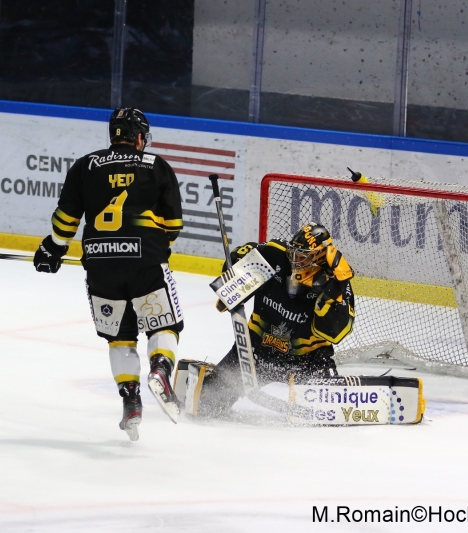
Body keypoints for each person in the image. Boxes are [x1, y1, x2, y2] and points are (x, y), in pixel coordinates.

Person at [33, 107, 185, 441]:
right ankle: (160, 368)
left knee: (120, 337)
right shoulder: (157, 165)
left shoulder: (85, 165)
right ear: (141, 137)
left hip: (101, 266)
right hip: (146, 261)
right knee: (165, 324)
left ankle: (131, 401)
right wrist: (152, 245)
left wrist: (53, 249)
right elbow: (173, 226)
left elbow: (66, 221)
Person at [195, 223, 356, 419]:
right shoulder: (274, 254)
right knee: (206, 405)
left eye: (302, 255)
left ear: (319, 257)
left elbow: (335, 332)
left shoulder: (335, 283)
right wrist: (235, 267)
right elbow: (237, 261)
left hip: (307, 363)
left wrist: (335, 288)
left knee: (324, 417)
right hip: (255, 352)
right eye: (293, 252)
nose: (295, 260)